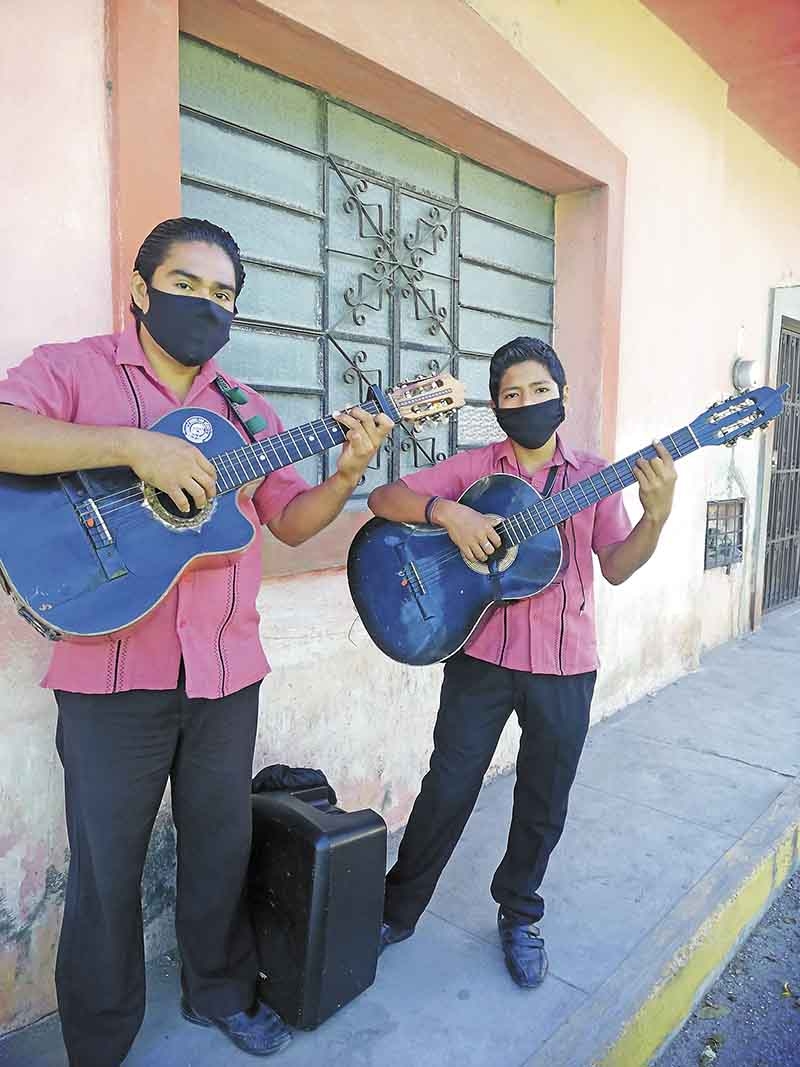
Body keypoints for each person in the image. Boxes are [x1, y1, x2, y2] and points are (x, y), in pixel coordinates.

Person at [0, 217, 393, 1064]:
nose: (205, 305)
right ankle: (99, 1039)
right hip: (110, 672)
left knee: (222, 845)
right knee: (106, 869)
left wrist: (348, 474)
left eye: (223, 295)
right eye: (186, 285)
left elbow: (289, 520)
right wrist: (135, 449)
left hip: (224, 670)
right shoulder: (73, 369)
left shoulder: (247, 410)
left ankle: (219, 988)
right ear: (141, 290)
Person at [368, 336, 676, 988]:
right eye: (511, 394)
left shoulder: (595, 477)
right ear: (496, 405)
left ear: (563, 395)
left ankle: (519, 913)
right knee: (448, 788)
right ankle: (396, 909)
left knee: (543, 799)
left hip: (566, 663)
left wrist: (656, 514)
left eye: (539, 390)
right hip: (481, 656)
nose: (526, 402)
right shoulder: (478, 469)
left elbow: (617, 566)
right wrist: (448, 512)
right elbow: (383, 500)